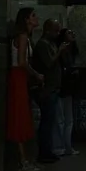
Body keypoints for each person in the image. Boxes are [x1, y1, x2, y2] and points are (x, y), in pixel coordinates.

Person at [6, 8, 44, 171]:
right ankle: (23, 160)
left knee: (21, 115)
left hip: (20, 77)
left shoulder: (26, 37)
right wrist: (36, 74)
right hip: (18, 77)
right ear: (26, 19)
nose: (36, 18)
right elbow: (21, 61)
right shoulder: (22, 37)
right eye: (33, 15)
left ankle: (24, 158)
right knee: (19, 116)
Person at [31, 19, 70, 163]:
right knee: (47, 121)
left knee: (51, 121)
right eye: (56, 31)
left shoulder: (51, 44)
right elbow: (48, 63)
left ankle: (48, 150)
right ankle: (44, 152)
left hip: (53, 88)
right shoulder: (43, 45)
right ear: (47, 30)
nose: (58, 33)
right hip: (47, 89)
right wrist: (59, 51)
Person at [56, 28, 80, 156]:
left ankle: (66, 146)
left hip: (68, 87)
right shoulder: (62, 51)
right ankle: (62, 147)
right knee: (62, 119)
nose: (72, 34)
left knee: (67, 120)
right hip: (63, 87)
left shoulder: (71, 51)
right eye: (69, 33)